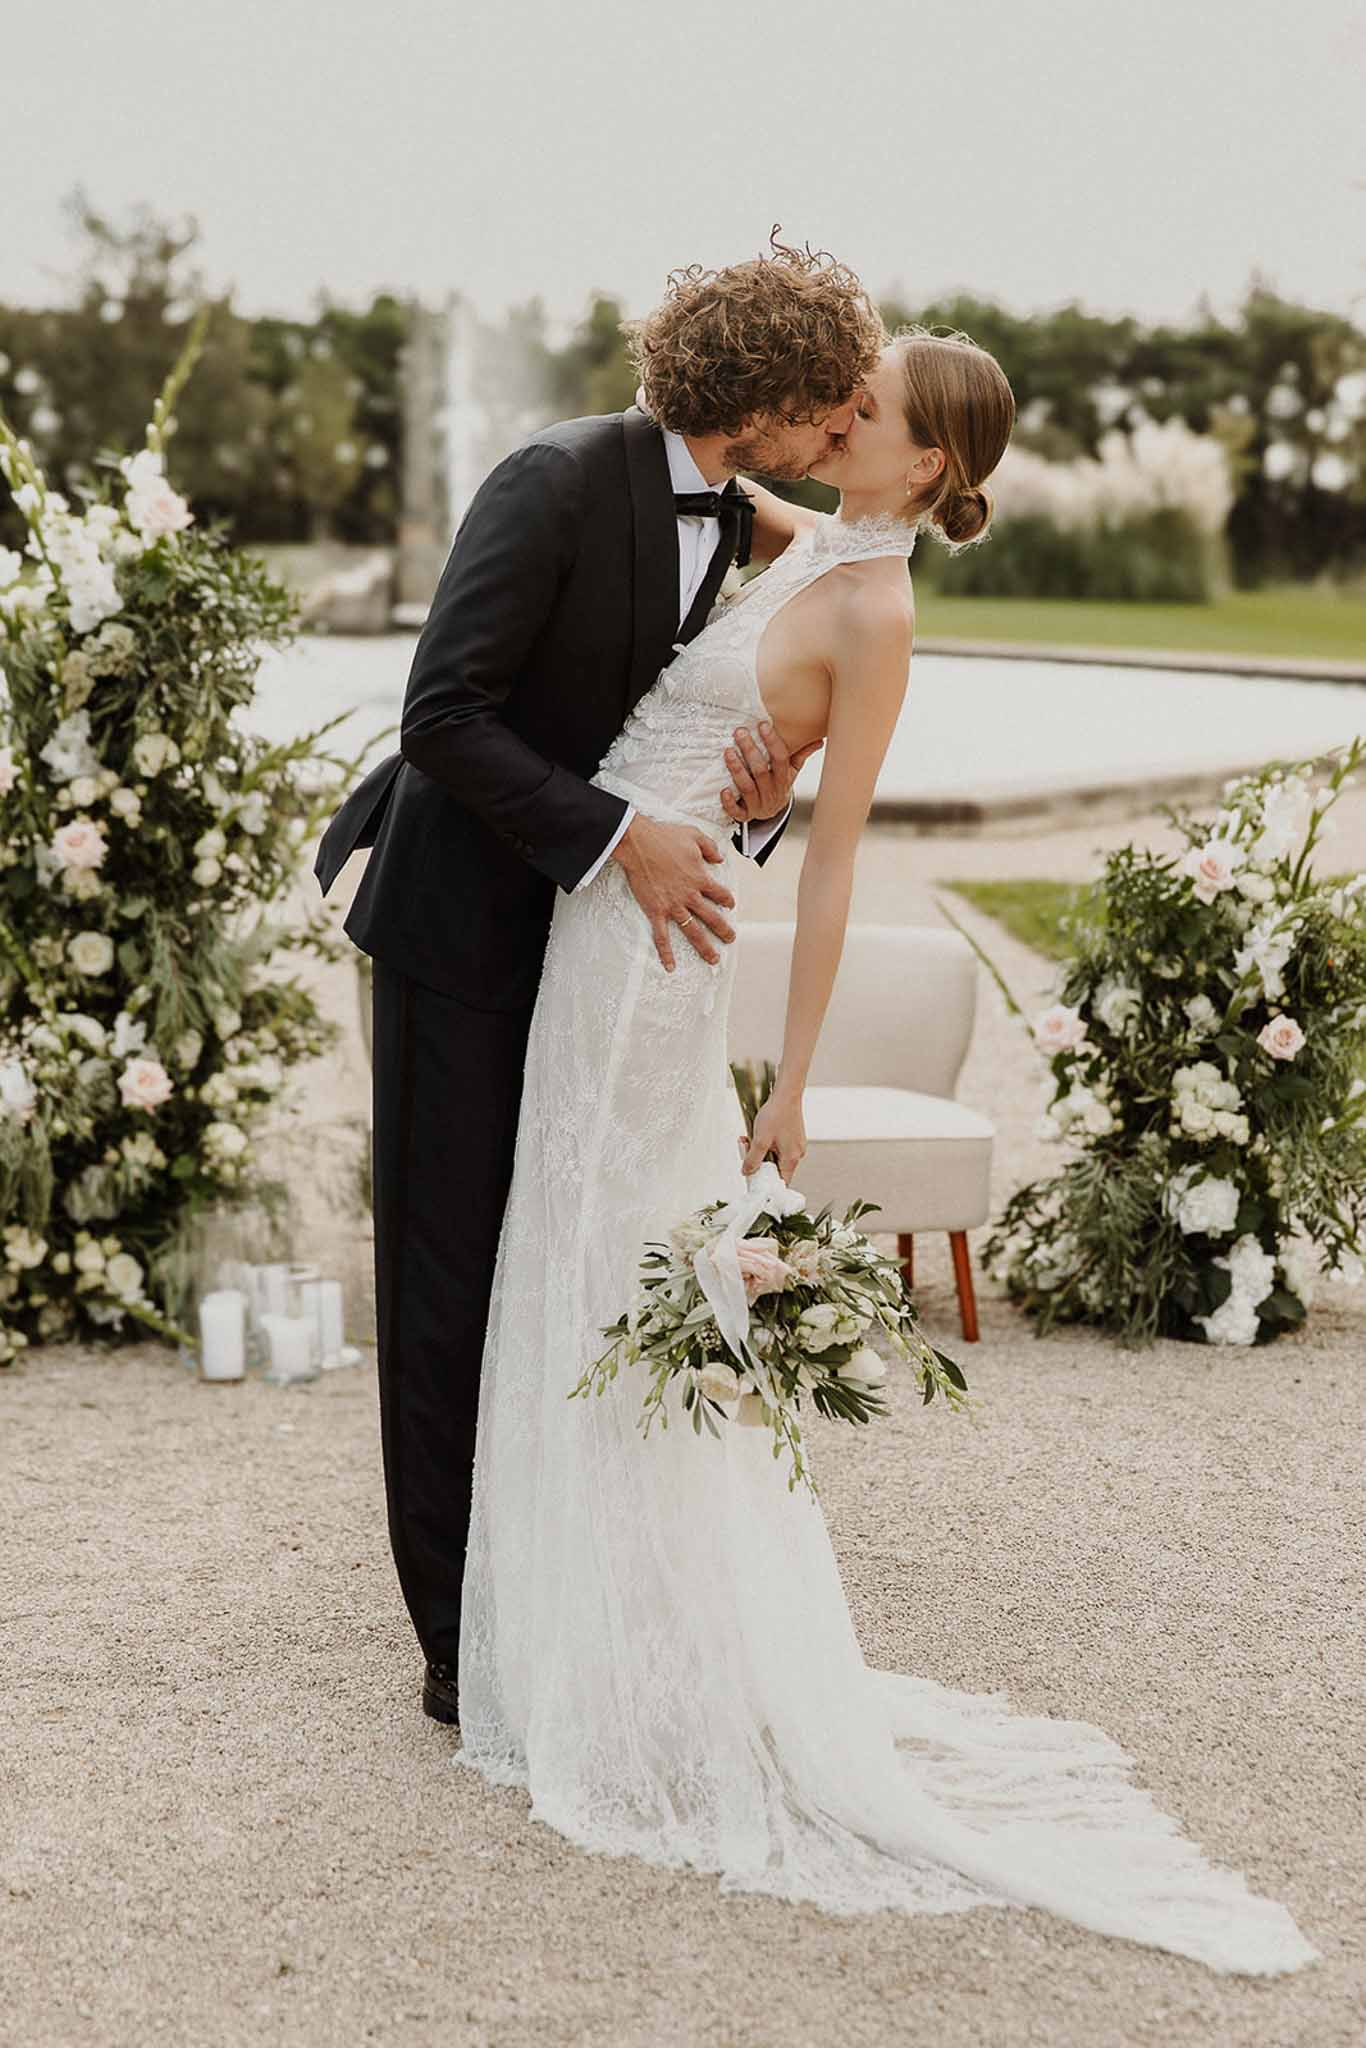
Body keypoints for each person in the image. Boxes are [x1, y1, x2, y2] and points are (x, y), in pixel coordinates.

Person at [452, 326, 1318, 1977]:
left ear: (927, 463)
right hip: (603, 907)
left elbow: (838, 858)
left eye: (872, 408)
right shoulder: (803, 536)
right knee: (565, 1241)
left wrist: (792, 1081)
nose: (841, 413)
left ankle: (637, 1654)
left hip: (660, 950)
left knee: (613, 1244)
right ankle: (562, 1620)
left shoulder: (878, 611)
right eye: (846, 394)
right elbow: (707, 494)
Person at [313, 238, 886, 1727]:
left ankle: (553, 1584)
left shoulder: (745, 519)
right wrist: (623, 839)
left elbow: (696, 728)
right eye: (829, 402)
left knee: (562, 1259)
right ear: (760, 395)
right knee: (446, 1280)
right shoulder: (555, 479)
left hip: (603, 959)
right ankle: (460, 1645)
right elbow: (442, 713)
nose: (842, 426)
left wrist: (751, 801)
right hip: (460, 931)